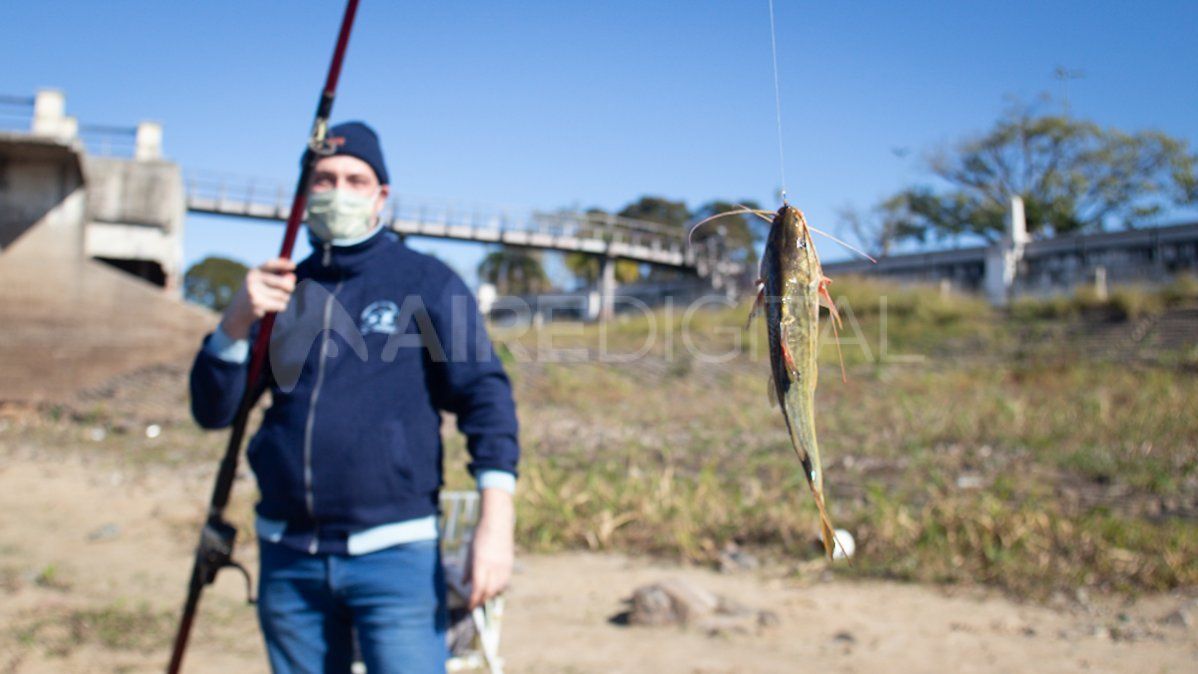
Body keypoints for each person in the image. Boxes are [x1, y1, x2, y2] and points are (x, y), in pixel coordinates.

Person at [189, 121, 519, 674]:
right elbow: (215, 410)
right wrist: (235, 322)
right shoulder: (283, 291)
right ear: (305, 193)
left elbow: (485, 396)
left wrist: (496, 522)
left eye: (354, 179)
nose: (338, 191)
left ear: (380, 196)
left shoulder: (429, 281)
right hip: (287, 556)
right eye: (323, 179)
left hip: (396, 556)